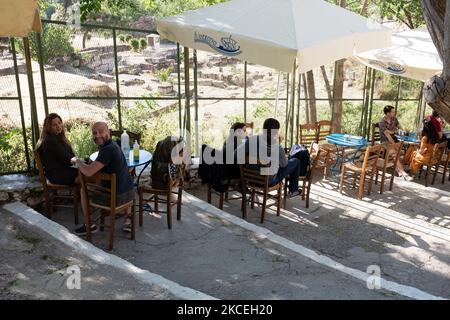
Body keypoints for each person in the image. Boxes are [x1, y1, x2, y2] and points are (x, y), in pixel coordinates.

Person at [71, 122, 134, 235]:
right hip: (129, 194)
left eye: (101, 131)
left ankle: (90, 225)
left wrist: (78, 161)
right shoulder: (113, 145)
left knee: (83, 189)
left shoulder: (107, 150)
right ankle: (128, 217)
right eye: (94, 133)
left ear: (109, 132)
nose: (97, 135)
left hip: (117, 198)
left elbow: (89, 172)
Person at [235, 118, 302, 197]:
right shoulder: (278, 148)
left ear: (263, 129)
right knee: (295, 161)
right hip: (268, 181)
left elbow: (236, 154)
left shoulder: (252, 140)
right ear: (276, 132)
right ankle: (294, 190)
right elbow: (284, 165)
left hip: (249, 178)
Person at [36, 113, 78, 186]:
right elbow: (66, 159)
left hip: (62, 169)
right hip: (57, 174)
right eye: (54, 125)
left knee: (85, 170)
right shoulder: (51, 141)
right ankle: (85, 195)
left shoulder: (57, 137)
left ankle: (82, 194)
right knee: (86, 174)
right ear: (48, 127)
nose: (58, 126)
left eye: (59, 123)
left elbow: (68, 157)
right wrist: (80, 163)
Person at [378, 105, 412, 181]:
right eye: (393, 112)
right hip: (385, 141)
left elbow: (400, 127)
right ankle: (403, 172)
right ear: (387, 113)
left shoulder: (394, 119)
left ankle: (399, 169)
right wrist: (394, 144)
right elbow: (387, 134)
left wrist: (400, 131)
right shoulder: (382, 122)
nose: (394, 113)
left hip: (395, 138)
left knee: (409, 146)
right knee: (394, 152)